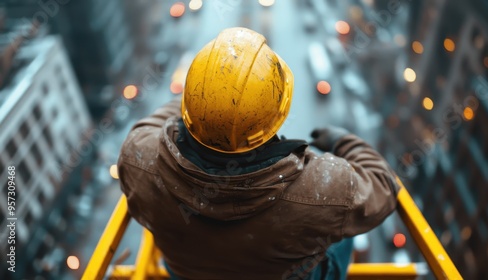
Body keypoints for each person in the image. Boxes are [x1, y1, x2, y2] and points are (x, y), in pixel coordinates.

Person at [118, 27, 400, 280]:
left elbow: (158, 121)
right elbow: (383, 184)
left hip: (186, 273)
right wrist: (344, 143)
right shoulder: (325, 190)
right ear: (278, 112)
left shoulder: (137, 157)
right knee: (340, 233)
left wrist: (209, 98)